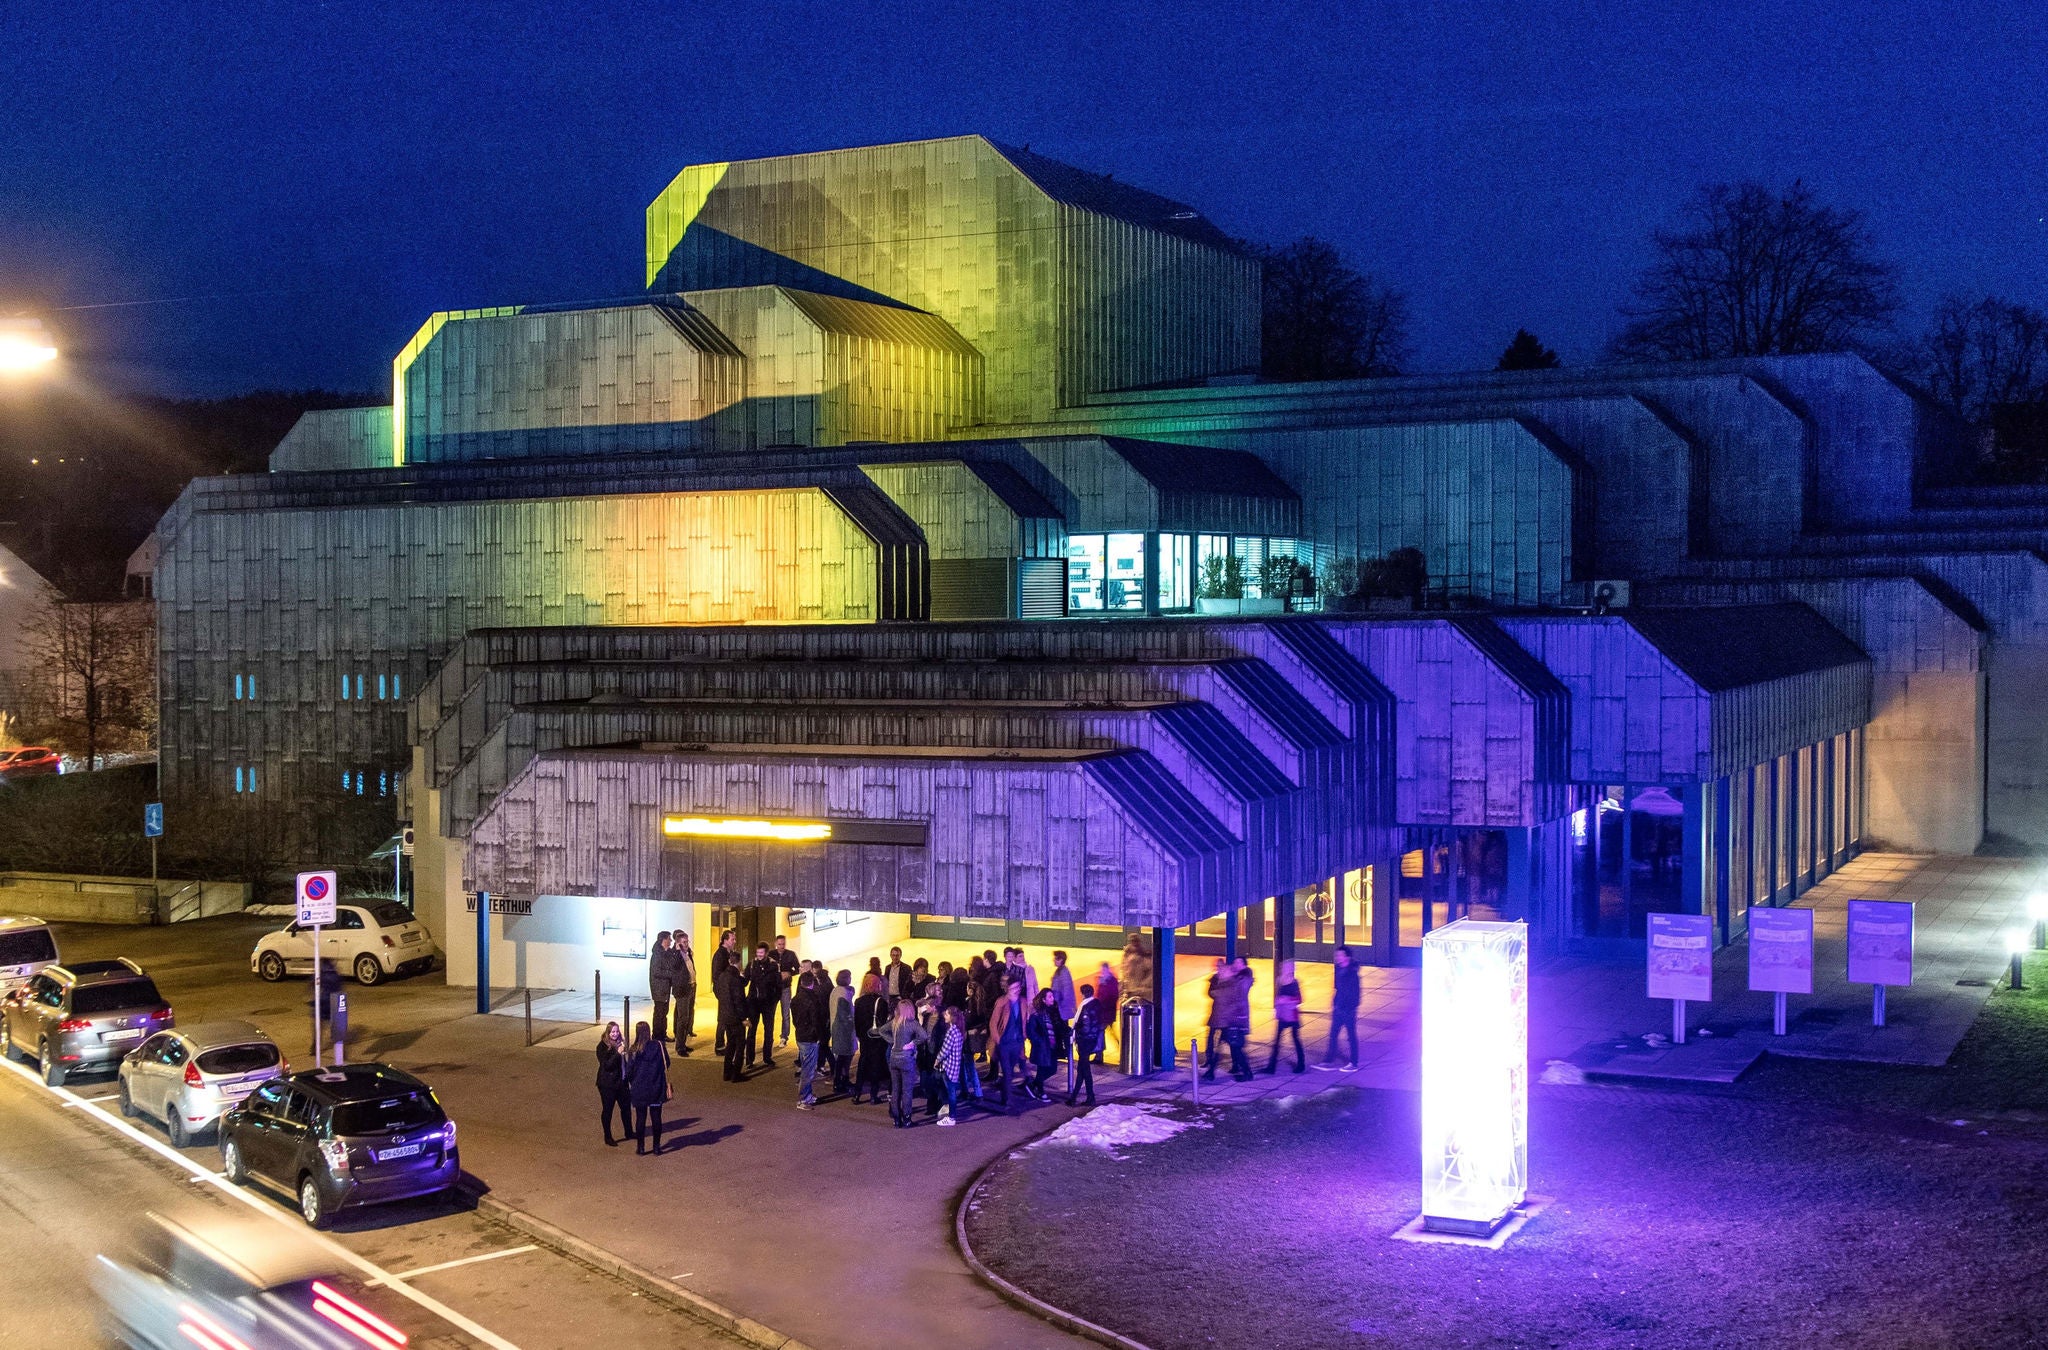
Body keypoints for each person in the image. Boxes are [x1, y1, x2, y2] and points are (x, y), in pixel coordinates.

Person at [1204, 957, 1255, 1083]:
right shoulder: (1229, 984)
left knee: (1236, 1050)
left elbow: (1216, 994)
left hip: (1230, 1023)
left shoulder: (1230, 986)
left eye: (1222, 972)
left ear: (1228, 973)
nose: (1219, 973)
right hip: (1227, 1023)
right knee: (1221, 1048)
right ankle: (1211, 1072)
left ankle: (1247, 1072)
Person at [624, 1021, 670, 1156]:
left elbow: (629, 1071)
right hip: (656, 1086)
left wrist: (633, 1081)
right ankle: (656, 1147)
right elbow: (667, 1063)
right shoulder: (659, 1046)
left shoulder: (634, 1050)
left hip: (640, 1088)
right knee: (656, 1117)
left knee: (640, 1118)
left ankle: (641, 1147)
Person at [886, 997, 928, 1127]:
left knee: (895, 1090)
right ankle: (907, 1118)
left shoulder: (894, 1022)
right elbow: (924, 1036)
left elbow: (881, 1031)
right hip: (906, 1059)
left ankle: (896, 1119)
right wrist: (911, 1043)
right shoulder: (912, 1023)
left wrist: (892, 1041)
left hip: (894, 1058)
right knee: (907, 1091)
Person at [791, 970, 830, 1110]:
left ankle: (807, 1095)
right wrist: (819, 1036)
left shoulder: (795, 999)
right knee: (808, 1070)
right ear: (812, 984)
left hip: (800, 1036)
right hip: (810, 1038)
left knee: (806, 1067)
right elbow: (816, 1021)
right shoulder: (813, 1000)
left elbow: (795, 1020)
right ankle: (803, 1099)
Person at [987, 976, 1027, 1108]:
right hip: (1004, 1042)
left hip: (1017, 1042)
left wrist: (1023, 1037)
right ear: (1008, 988)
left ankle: (1004, 1089)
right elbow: (993, 1022)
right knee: (1008, 1071)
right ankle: (1007, 1099)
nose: (1017, 990)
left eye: (1018, 987)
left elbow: (1024, 1021)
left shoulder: (1022, 1002)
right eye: (1014, 987)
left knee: (1010, 1071)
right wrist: (997, 1040)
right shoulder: (1002, 1002)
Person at [1319, 945, 1360, 1072]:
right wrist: (1335, 1003)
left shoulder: (1353, 974)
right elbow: (1337, 987)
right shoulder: (1337, 968)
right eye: (1337, 955)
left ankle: (1353, 1063)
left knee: (1351, 1036)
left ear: (1347, 957)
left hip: (1348, 1010)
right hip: (1338, 1008)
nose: (1337, 958)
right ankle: (1329, 1060)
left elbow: (1355, 993)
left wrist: (1349, 1007)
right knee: (1333, 1034)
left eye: (1340, 955)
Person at [853, 974, 891, 1104]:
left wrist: (859, 1035)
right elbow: (885, 1023)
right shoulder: (882, 1002)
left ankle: (857, 1094)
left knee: (862, 1065)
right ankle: (873, 1096)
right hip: (877, 1039)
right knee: (876, 1066)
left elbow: (856, 1021)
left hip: (864, 1038)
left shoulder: (858, 1001)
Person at [1265, 959, 1306, 1074]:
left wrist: (1286, 1000)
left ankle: (1301, 1064)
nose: (1284, 970)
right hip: (1282, 1014)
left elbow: (1299, 999)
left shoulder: (1294, 982)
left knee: (1296, 1039)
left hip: (1292, 1015)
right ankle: (1271, 1066)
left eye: (1287, 968)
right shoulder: (1279, 980)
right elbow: (1278, 996)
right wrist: (1277, 1005)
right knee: (1277, 1040)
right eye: (1283, 968)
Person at [716, 934, 747, 1081]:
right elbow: (739, 1001)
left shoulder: (722, 977)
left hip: (725, 1016)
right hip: (735, 1018)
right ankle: (736, 1074)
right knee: (740, 1046)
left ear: (729, 961)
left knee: (730, 1046)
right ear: (739, 962)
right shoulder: (736, 979)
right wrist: (744, 1019)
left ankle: (726, 1072)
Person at [744, 943, 780, 1070]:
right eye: (757, 952)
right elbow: (745, 980)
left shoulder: (773, 965)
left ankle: (767, 1057)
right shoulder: (752, 964)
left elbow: (778, 984)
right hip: (754, 1002)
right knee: (751, 1031)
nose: (759, 955)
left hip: (768, 1003)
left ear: (766, 953)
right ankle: (749, 1059)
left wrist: (775, 1000)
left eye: (761, 953)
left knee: (769, 1031)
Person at [1067, 984, 1102, 1106]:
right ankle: (1074, 1097)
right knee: (1082, 1070)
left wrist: (1075, 1030)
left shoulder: (1085, 1007)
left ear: (1083, 994)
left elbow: (1084, 1026)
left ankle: (1090, 1097)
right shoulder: (1096, 1004)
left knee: (1085, 1071)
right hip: (1091, 1040)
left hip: (1084, 1042)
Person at [594, 1020, 628, 1145]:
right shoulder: (602, 1046)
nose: (615, 1034)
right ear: (608, 1033)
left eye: (617, 1031)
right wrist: (618, 1054)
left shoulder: (620, 1043)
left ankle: (629, 1131)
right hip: (607, 1084)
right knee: (608, 1110)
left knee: (626, 1107)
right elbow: (607, 1065)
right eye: (613, 1032)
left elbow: (623, 1064)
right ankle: (607, 1136)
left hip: (621, 1082)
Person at [1025, 988, 1060, 1100]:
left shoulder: (1053, 1011)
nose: (1053, 999)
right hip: (1043, 1047)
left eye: (1052, 996)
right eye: (1050, 997)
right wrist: (1040, 1042)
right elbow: (1031, 1031)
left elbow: (1058, 1026)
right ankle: (1040, 1091)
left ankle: (1033, 1084)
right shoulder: (1036, 1014)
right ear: (1043, 1000)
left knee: (1052, 1069)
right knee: (1042, 1069)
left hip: (1052, 1047)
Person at [934, 1006, 966, 1125]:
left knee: (950, 1092)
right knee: (951, 1091)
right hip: (955, 1067)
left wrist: (937, 1060)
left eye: (947, 1015)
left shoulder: (951, 1032)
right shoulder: (959, 1031)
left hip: (949, 1067)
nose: (944, 1016)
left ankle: (951, 1117)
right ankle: (950, 1113)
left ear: (952, 1017)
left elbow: (945, 1050)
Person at [710, 930, 740, 1057]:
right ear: (725, 940)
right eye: (732, 939)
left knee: (726, 1017)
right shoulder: (720, 955)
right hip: (723, 991)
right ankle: (720, 1045)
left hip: (728, 990)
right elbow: (717, 975)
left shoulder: (729, 953)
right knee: (723, 1018)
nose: (734, 941)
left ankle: (727, 1042)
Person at [829, 969, 857, 1094]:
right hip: (843, 1030)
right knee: (843, 1058)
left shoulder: (835, 991)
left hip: (837, 1029)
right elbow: (847, 1014)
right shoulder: (843, 995)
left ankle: (842, 1080)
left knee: (842, 1057)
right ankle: (839, 1082)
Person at [648, 931, 677, 1044]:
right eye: (669, 939)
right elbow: (656, 971)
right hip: (659, 988)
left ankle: (662, 1034)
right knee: (659, 1012)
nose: (670, 941)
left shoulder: (666, 952)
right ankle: (657, 1035)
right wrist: (671, 974)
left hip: (664, 987)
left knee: (664, 1012)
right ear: (663, 940)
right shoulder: (657, 954)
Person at [1200, 957, 1230, 1071]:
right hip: (1216, 1012)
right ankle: (1209, 1059)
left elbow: (1224, 994)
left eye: (1219, 966)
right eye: (1217, 967)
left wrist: (1218, 993)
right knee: (1211, 1036)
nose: (1218, 969)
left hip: (1224, 1014)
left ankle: (1236, 1062)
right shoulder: (1214, 978)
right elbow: (1210, 993)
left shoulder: (1228, 979)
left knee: (1226, 1039)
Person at [771, 935, 799, 1049]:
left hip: (785, 988)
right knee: (770, 1014)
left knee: (786, 1013)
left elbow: (797, 968)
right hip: (773, 989)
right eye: (779, 944)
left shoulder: (791, 954)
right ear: (775, 944)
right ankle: (769, 1036)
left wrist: (789, 973)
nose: (781, 946)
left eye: (783, 944)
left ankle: (784, 1037)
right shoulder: (771, 955)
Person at [673, 931, 698, 1054]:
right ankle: (680, 1047)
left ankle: (683, 1043)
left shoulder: (688, 953)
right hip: (682, 990)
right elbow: (675, 966)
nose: (686, 944)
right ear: (678, 943)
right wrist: (677, 951)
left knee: (687, 1017)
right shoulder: (675, 954)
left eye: (687, 941)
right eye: (683, 942)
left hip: (691, 987)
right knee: (682, 1019)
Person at [1091, 960, 1120, 1065]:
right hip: (1103, 1012)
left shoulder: (1111, 981)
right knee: (1108, 1033)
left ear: (1107, 969)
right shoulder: (1103, 980)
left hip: (1106, 1012)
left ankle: (1099, 1056)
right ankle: (1100, 1055)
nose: (1102, 971)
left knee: (1100, 1032)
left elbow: (1111, 997)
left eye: (1104, 969)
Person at [1119, 933, 1152, 1004]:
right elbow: (1124, 969)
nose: (1133, 943)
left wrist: (1141, 988)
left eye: (1135, 941)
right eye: (1132, 941)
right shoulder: (1127, 953)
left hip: (1139, 991)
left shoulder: (1144, 957)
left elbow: (1149, 976)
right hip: (1131, 989)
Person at [1050, 950, 1077, 1024]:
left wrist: (1058, 1004)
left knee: (1062, 1029)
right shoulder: (1060, 971)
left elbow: (1066, 991)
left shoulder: (1063, 972)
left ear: (1061, 960)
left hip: (1062, 1008)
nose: (1053, 960)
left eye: (1055, 958)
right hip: (1060, 1007)